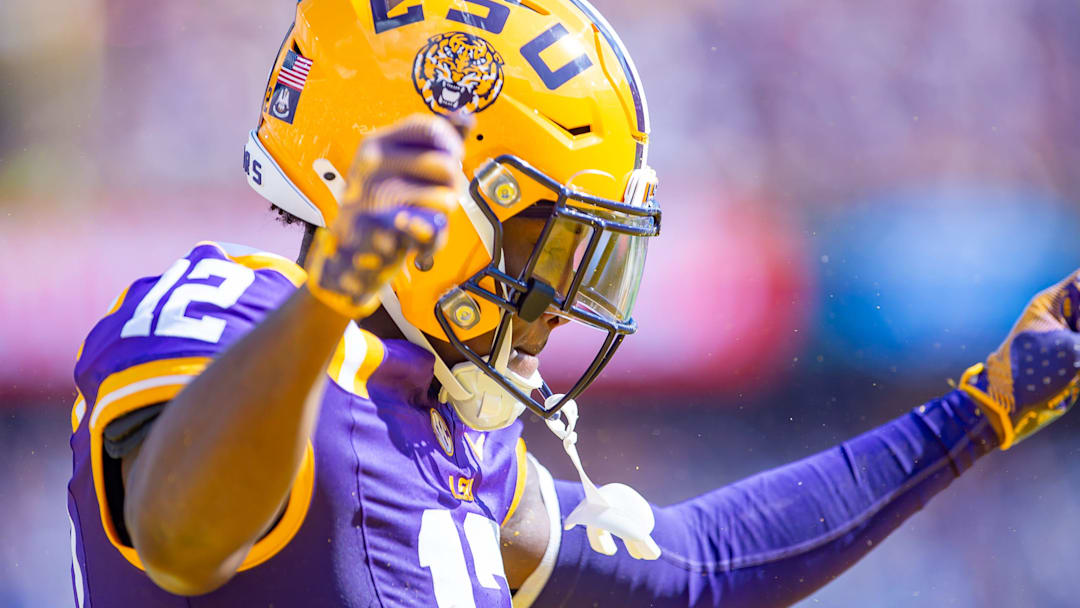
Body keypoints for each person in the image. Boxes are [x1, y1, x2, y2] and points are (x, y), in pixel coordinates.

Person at [66, 1, 1080, 606]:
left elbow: (695, 570)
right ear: (452, 207)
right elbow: (178, 528)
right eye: (551, 240)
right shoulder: (224, 320)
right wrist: (334, 295)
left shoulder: (439, 418)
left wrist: (979, 408)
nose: (563, 303)